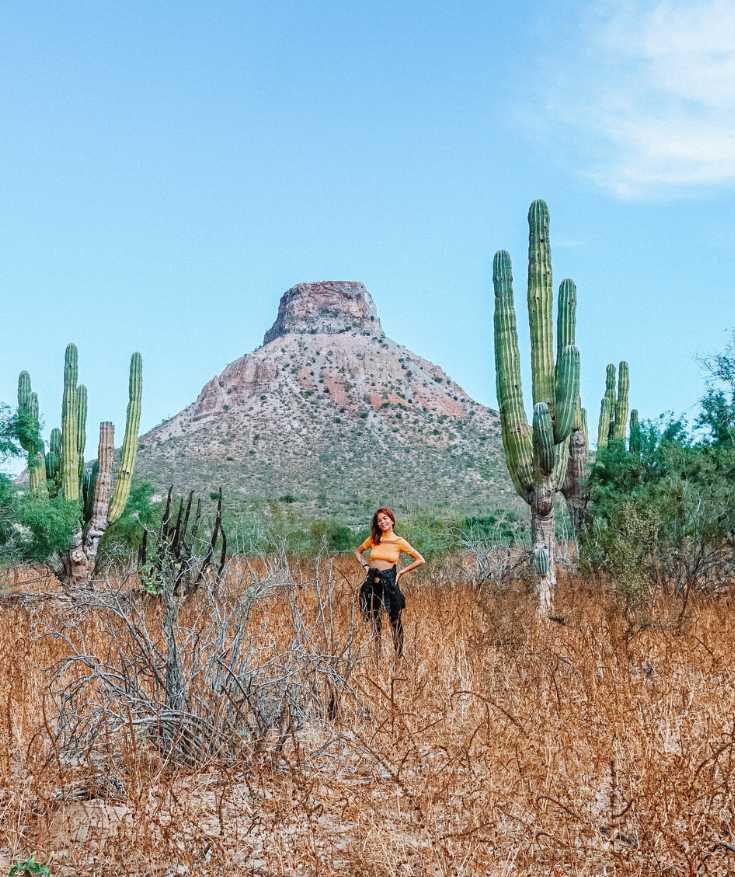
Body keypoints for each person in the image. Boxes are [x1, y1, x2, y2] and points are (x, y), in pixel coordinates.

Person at [353, 507, 425, 656]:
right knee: (374, 618)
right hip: (372, 581)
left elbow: (420, 559)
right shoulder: (373, 539)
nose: (382, 522)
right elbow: (357, 552)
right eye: (379, 520)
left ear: (392, 521)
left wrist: (401, 572)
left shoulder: (399, 541)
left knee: (395, 619)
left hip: (390, 580)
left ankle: (398, 655)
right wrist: (366, 566)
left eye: (385, 518)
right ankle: (376, 654)